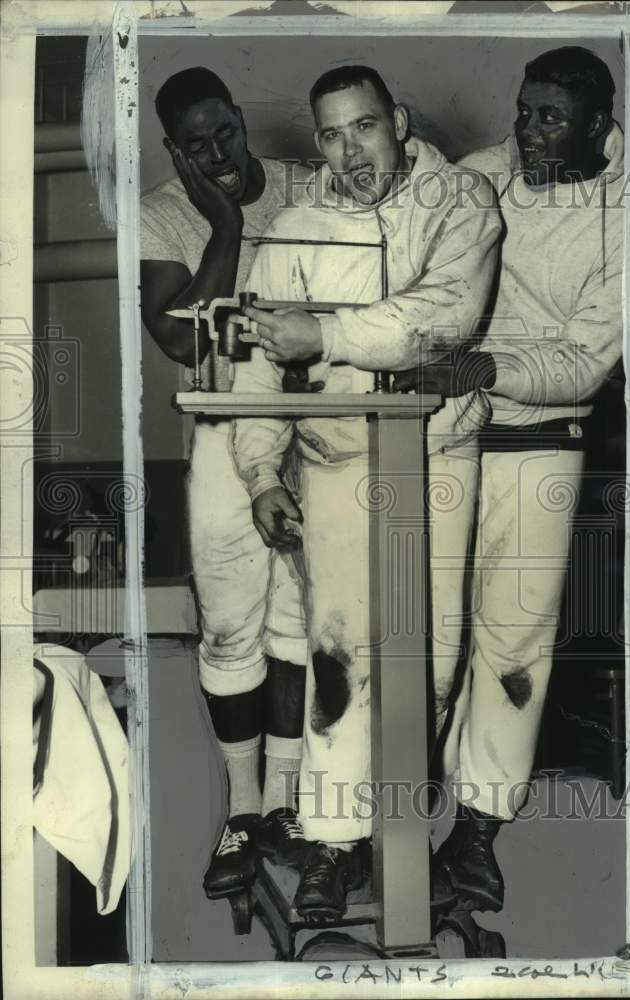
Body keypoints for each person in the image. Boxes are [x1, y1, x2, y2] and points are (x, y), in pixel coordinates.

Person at [394, 46, 630, 912]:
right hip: (445, 428)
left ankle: (474, 836)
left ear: (597, 124)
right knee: (422, 633)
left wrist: (481, 368)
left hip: (541, 435)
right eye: (522, 112)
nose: (527, 132)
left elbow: (587, 362)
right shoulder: (484, 176)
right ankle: (392, 820)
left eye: (549, 118)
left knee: (512, 645)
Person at [231, 65, 501, 921]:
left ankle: (402, 833)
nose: (351, 149)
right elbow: (260, 364)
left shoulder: (459, 201)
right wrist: (261, 470)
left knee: (434, 656)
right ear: (317, 143)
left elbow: (446, 313)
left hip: (438, 460)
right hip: (340, 465)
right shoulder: (294, 229)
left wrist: (332, 332)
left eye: (366, 127)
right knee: (341, 659)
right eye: (333, 133)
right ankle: (333, 843)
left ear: (400, 121)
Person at [139, 67, 314, 902]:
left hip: (318, 425)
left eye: (226, 133)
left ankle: (283, 805)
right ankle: (243, 809)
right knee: (233, 630)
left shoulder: (307, 187)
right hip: (218, 438)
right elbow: (185, 349)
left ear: (242, 121)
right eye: (195, 145)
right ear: (174, 148)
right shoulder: (161, 212)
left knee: (299, 622)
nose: (216, 153)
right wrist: (225, 226)